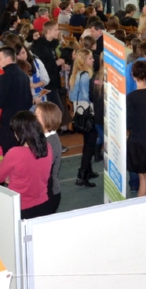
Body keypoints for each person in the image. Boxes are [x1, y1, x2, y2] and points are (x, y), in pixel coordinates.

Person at [0, 111, 52, 219]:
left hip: (21, 206)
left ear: (19, 133)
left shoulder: (15, 153)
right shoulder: (47, 147)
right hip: (43, 203)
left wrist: (9, 176)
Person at [126, 60, 146, 196]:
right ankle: (142, 207)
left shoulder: (131, 98)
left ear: (133, 75)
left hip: (137, 143)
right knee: (145, 179)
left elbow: (129, 123)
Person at [0, 46, 33, 152]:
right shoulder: (24, 75)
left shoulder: (5, 77)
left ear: (8, 59)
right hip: (23, 121)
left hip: (9, 123)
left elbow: (0, 101)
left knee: (8, 152)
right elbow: (29, 100)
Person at [68, 48, 98, 187]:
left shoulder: (75, 75)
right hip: (88, 113)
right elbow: (87, 96)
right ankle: (82, 175)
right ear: (84, 61)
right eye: (90, 58)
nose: (93, 60)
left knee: (87, 142)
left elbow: (71, 96)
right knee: (90, 144)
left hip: (79, 113)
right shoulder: (86, 76)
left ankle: (88, 170)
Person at [36, 101, 62, 215]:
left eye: (37, 115)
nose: (34, 118)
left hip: (49, 193)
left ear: (47, 119)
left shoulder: (50, 144)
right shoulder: (44, 137)